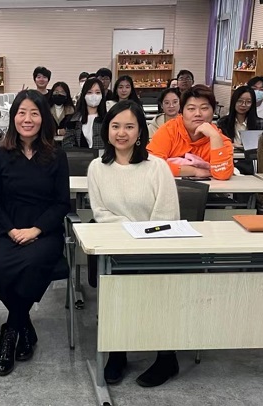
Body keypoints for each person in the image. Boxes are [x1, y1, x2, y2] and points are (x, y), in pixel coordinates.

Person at [88, 100, 181, 388]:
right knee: (117, 289)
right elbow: (100, 213)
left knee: (153, 290)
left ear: (140, 131)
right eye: (115, 126)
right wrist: (130, 232)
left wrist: (141, 237)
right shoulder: (97, 168)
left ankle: (166, 357)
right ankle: (118, 351)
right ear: (107, 130)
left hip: (155, 247)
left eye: (129, 126)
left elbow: (167, 215)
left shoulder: (157, 167)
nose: (121, 133)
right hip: (117, 247)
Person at [0, 90, 70, 377]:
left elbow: (62, 203)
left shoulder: (57, 155)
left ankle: (10, 332)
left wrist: (36, 230)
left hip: (45, 232)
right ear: (13, 117)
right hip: (10, 230)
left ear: (43, 117)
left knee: (32, 263)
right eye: (22, 113)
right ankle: (24, 325)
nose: (27, 119)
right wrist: (11, 230)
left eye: (34, 113)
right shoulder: (1, 155)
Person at [147, 85, 234, 180]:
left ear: (213, 112)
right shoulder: (169, 130)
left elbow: (223, 174)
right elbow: (152, 165)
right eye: (191, 109)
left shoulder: (220, 139)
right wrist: (194, 171)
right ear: (181, 112)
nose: (198, 114)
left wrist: (214, 136)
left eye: (204, 108)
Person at [63, 78, 106, 149]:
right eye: (89, 92)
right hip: (80, 155)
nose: (93, 96)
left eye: (98, 92)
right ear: (84, 95)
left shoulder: (108, 120)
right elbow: (67, 144)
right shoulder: (74, 120)